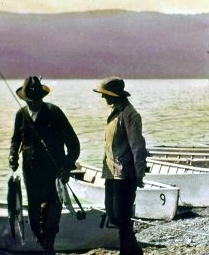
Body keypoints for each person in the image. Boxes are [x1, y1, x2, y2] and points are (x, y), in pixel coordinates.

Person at [8, 76, 80, 253]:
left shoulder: (54, 112)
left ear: (42, 97)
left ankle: (50, 245)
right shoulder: (21, 115)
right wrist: (12, 156)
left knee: (52, 211)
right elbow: (15, 140)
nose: (33, 103)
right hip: (30, 174)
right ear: (25, 99)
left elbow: (73, 143)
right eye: (30, 101)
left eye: (36, 100)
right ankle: (42, 244)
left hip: (53, 173)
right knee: (34, 211)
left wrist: (67, 166)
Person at [93, 76, 148, 255]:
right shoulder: (116, 112)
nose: (103, 98)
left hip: (125, 174)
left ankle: (128, 251)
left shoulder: (130, 115)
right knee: (113, 213)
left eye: (106, 94)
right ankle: (134, 250)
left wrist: (139, 174)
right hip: (111, 172)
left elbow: (137, 147)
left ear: (116, 95)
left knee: (122, 216)